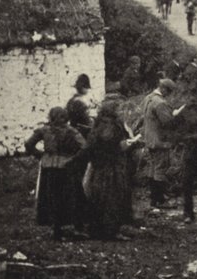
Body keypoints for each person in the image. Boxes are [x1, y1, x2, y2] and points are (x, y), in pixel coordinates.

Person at [25, 107, 86, 241]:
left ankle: (57, 230)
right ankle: (76, 228)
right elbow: (84, 147)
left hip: (49, 167)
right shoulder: (72, 131)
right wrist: (74, 160)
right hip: (66, 168)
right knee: (72, 196)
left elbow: (29, 144)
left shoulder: (44, 130)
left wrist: (42, 156)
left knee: (52, 198)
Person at [82, 101, 137, 239]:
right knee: (112, 198)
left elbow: (93, 144)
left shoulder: (99, 123)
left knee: (97, 197)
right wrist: (124, 145)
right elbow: (108, 143)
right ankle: (111, 231)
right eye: (118, 108)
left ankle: (95, 229)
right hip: (110, 166)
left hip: (99, 166)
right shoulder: (109, 124)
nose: (121, 111)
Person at [138, 79, 177, 210]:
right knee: (160, 169)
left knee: (152, 169)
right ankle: (160, 200)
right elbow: (167, 122)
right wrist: (175, 115)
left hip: (149, 139)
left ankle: (154, 199)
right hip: (160, 141)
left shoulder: (149, 98)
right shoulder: (160, 103)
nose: (169, 95)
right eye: (169, 92)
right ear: (164, 89)